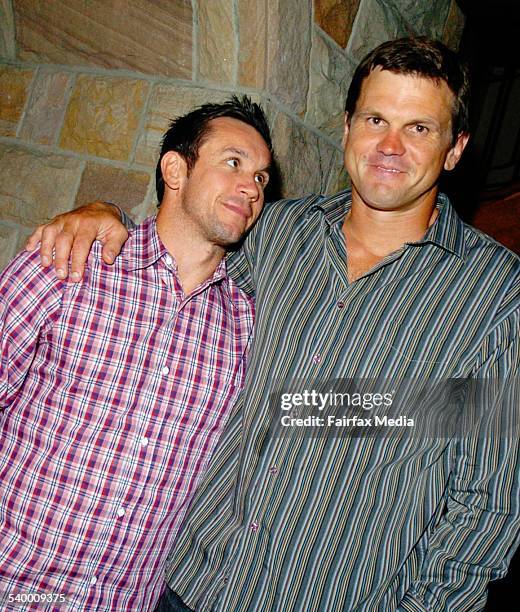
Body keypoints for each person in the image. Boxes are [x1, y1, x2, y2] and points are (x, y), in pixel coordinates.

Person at [27, 38, 519, 611]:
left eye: (419, 129)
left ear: (455, 149)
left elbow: (486, 502)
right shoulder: (278, 232)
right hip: (190, 588)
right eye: (376, 119)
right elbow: (184, 249)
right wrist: (107, 215)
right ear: (346, 128)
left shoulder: (497, 295)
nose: (390, 146)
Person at [0, 96, 273, 610]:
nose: (250, 186)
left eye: (261, 177)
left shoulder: (247, 328)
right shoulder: (69, 261)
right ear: (175, 169)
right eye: (233, 162)